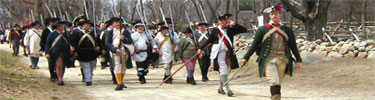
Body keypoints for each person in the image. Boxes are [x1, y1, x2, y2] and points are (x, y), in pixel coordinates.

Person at [241, 6, 303, 100]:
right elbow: (254, 45)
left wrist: (298, 60)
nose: (274, 16)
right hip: (268, 58)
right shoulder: (262, 29)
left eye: (276, 13)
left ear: (280, 14)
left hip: (283, 58)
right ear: (269, 15)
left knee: (278, 82)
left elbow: (293, 46)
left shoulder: (287, 30)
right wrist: (246, 57)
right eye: (272, 14)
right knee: (274, 82)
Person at [198, 14, 247, 96]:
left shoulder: (231, 29)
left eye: (225, 20)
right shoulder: (215, 30)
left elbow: (244, 30)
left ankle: (220, 88)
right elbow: (209, 41)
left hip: (228, 53)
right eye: (221, 20)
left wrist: (234, 24)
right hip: (218, 52)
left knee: (226, 71)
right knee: (223, 70)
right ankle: (228, 89)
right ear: (219, 21)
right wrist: (200, 48)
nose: (223, 22)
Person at [105, 17, 133, 90]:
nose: (118, 24)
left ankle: (121, 81)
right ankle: (119, 83)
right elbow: (107, 43)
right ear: (112, 24)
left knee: (123, 67)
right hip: (115, 52)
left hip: (125, 51)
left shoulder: (125, 32)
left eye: (119, 22)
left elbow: (130, 41)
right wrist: (115, 49)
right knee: (117, 66)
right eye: (116, 22)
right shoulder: (110, 32)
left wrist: (124, 39)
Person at [71, 20, 100, 86]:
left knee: (91, 66)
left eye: (88, 25)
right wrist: (75, 51)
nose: (87, 26)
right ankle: (88, 80)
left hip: (92, 53)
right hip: (82, 52)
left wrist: (98, 47)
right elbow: (74, 43)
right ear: (82, 26)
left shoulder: (94, 34)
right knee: (85, 66)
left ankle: (89, 76)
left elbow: (98, 42)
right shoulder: (78, 34)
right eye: (85, 25)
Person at [45, 21, 73, 85]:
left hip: (65, 52)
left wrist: (72, 47)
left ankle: (60, 77)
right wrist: (47, 53)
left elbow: (70, 43)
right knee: (59, 65)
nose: (61, 27)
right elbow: (47, 44)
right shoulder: (52, 34)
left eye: (62, 26)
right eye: (59, 26)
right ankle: (60, 79)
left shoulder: (67, 34)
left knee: (63, 66)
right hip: (55, 53)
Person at [131, 20, 158, 84]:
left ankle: (142, 73)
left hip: (146, 52)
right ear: (136, 28)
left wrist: (154, 47)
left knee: (145, 66)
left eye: (141, 27)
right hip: (137, 53)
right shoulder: (133, 35)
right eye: (138, 27)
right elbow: (130, 44)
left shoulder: (148, 35)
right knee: (140, 66)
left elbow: (152, 42)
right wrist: (133, 50)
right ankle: (142, 78)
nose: (140, 28)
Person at [41, 17, 60, 82]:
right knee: (51, 63)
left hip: (58, 49)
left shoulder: (59, 30)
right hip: (49, 49)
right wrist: (44, 49)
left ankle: (58, 75)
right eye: (52, 22)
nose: (53, 23)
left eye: (54, 22)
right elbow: (43, 40)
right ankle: (52, 75)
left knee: (58, 64)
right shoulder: (46, 30)